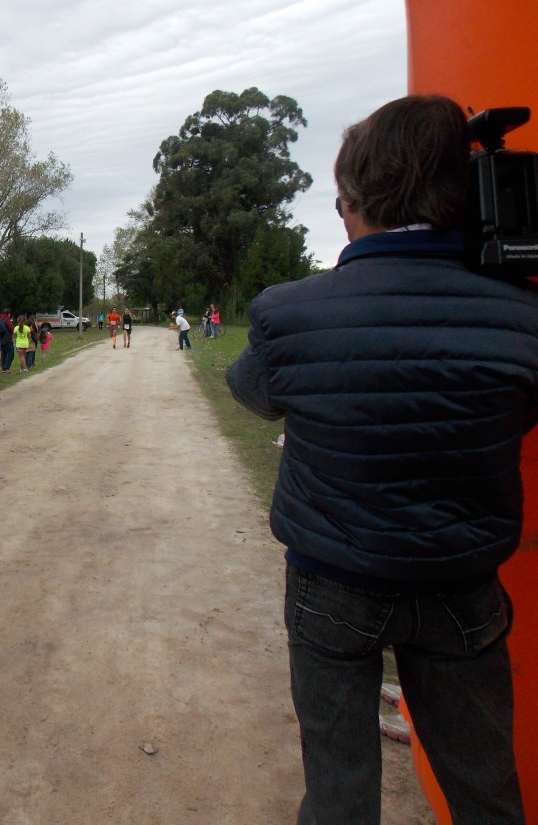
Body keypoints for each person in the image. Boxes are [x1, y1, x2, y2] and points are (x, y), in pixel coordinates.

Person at [226, 94, 538, 825]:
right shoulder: (524, 314)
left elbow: (253, 396)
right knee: (485, 788)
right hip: (462, 584)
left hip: (334, 583)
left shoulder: (288, 311)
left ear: (356, 201)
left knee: (338, 794)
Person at [0, 308, 15, 372]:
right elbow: (12, 329)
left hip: (1, 340)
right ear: (8, 314)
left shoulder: (0, 320)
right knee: (11, 354)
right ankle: (6, 367)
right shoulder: (7, 321)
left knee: (3, 355)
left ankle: (3, 368)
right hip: (8, 339)